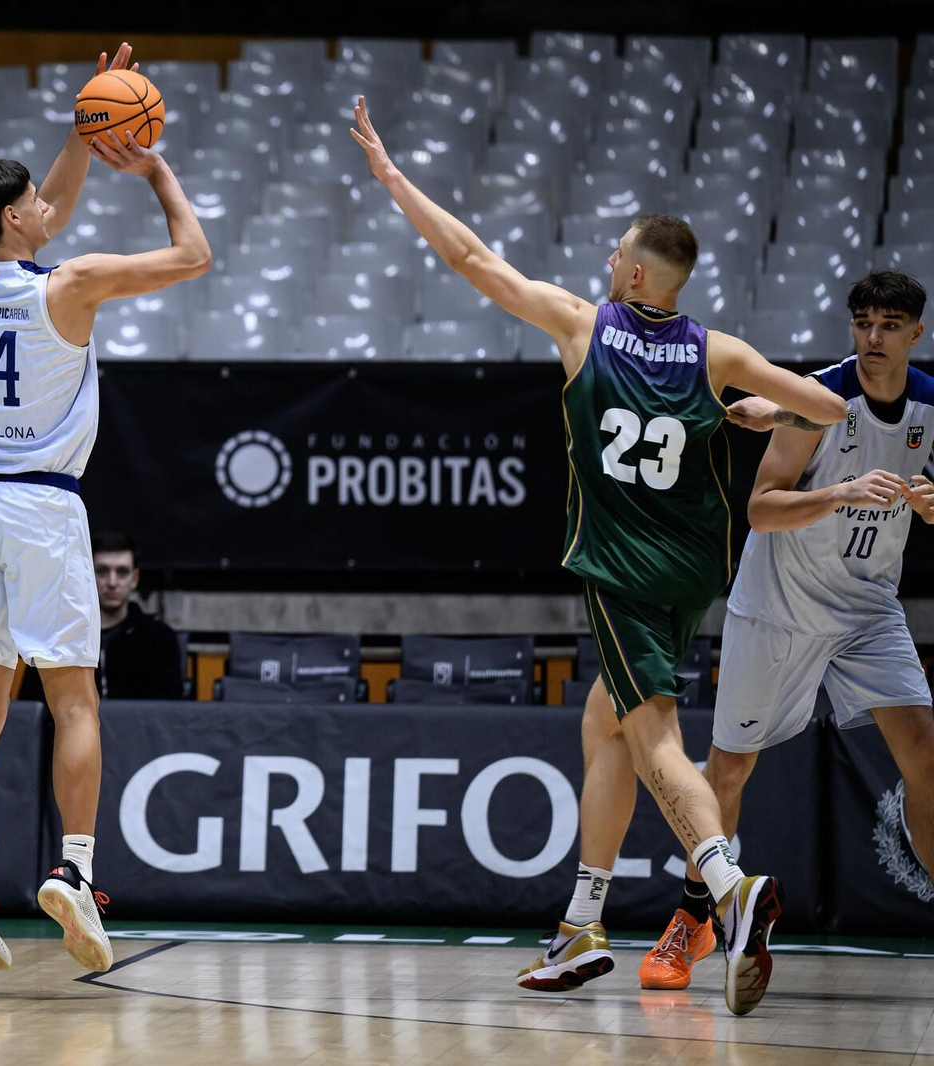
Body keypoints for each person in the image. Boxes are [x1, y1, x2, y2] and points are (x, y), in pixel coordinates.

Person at [348, 97, 847, 1016]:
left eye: (619, 252)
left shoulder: (582, 325)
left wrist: (391, 176)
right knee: (604, 725)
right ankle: (582, 924)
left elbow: (469, 258)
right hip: (695, 568)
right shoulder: (718, 352)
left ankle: (727, 888)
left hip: (619, 566)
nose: (608, 260)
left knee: (651, 727)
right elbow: (831, 411)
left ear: (641, 275)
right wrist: (756, 413)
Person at [0, 42, 210, 975]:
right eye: (35, 203)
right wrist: (154, 163)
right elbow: (195, 254)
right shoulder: (72, 285)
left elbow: (42, 208)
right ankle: (77, 875)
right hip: (43, 509)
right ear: (15, 217)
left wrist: (87, 126)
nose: (51, 205)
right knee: (75, 694)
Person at [641, 271, 934, 990]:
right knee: (731, 769)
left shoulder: (930, 405)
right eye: (862, 322)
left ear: (915, 334)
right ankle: (692, 919)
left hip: (867, 608)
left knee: (925, 753)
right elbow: (762, 509)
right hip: (780, 606)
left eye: (888, 325)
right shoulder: (817, 403)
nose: (873, 337)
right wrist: (838, 492)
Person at [16, 531, 186, 702]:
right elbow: (32, 712)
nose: (112, 582)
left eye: (122, 572)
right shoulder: (57, 640)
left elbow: (167, 715)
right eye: (102, 571)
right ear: (87, 575)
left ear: (134, 579)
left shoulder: (158, 638)